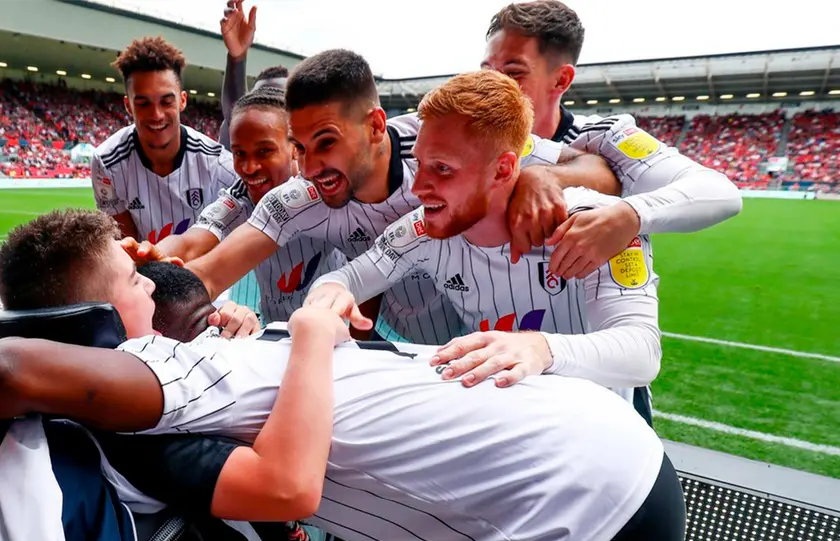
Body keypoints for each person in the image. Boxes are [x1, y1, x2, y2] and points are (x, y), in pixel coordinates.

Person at [0, 207, 686, 541]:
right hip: (576, 500)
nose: (152, 272)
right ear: (96, 328)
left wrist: (250, 335)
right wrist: (305, 331)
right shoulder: (140, 391)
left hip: (584, 486)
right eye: (134, 279)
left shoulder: (176, 363)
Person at [181, 48, 622, 345]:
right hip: (418, 356)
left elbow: (598, 168)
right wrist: (138, 280)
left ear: (376, 125)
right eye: (299, 146)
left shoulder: (439, 142)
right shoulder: (301, 196)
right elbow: (209, 272)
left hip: (529, 344)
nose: (310, 167)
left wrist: (543, 177)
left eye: (327, 142)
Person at [306, 70, 658, 422]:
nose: (418, 188)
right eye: (421, 164)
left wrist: (540, 347)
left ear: (503, 169)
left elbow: (642, 351)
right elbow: (346, 278)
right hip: (502, 428)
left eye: (442, 169)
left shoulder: (595, 222)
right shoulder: (423, 227)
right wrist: (329, 293)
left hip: (601, 436)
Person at [480, 0, 742, 274]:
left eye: (513, 73)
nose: (491, 86)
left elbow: (720, 193)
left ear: (561, 80)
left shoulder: (602, 137)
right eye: (487, 71)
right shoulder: (460, 138)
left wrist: (628, 215)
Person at [132, 87, 347, 325]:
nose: (249, 167)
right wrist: (153, 254)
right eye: (239, 153)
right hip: (273, 332)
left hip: (334, 333)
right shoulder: (241, 195)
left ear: (295, 148)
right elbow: (191, 241)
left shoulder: (323, 191)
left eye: (264, 151)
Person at [91, 36, 238, 244]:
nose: (157, 114)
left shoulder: (216, 163)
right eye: (143, 104)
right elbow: (128, 245)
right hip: (145, 272)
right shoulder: (106, 162)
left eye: (166, 101)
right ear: (128, 105)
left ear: (182, 100)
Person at [217, 0, 289, 148]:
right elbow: (235, 114)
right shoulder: (234, 134)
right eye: (259, 101)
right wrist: (237, 57)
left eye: (279, 102)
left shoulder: (307, 154)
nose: (267, 110)